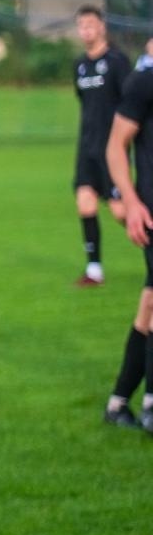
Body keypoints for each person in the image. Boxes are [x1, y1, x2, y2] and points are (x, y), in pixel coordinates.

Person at [101, 64, 153, 429]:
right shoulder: (145, 81)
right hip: (151, 210)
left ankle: (119, 404)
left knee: (149, 306)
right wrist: (131, 202)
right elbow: (116, 145)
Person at [70, 6, 130, 286]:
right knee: (85, 203)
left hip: (112, 150)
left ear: (102, 27)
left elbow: (130, 103)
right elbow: (84, 102)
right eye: (81, 25)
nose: (86, 30)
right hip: (87, 148)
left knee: (120, 211)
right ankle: (94, 269)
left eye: (91, 24)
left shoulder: (117, 62)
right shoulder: (79, 66)